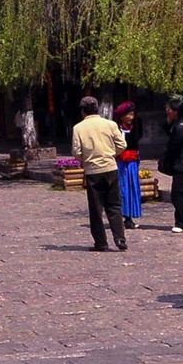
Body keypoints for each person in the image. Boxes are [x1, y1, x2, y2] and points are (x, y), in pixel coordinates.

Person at [71, 96, 128, 252]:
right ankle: (120, 238)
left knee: (96, 209)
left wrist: (87, 159)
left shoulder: (79, 128)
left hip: (93, 171)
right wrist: (111, 154)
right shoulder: (110, 124)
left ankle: (101, 243)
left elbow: (77, 152)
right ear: (97, 109)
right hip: (111, 168)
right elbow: (122, 144)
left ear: (83, 111)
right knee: (115, 205)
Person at [159, 97, 183, 233]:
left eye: (169, 109)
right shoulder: (180, 123)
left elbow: (174, 146)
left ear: (176, 111)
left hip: (182, 163)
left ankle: (181, 222)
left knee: (177, 193)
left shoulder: (182, 126)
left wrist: (166, 160)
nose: (167, 111)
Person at [114, 101, 143, 230]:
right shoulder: (117, 128)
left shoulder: (136, 127)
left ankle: (130, 216)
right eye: (129, 115)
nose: (131, 117)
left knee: (132, 187)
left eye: (133, 115)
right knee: (123, 187)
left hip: (132, 162)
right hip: (121, 162)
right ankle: (122, 215)